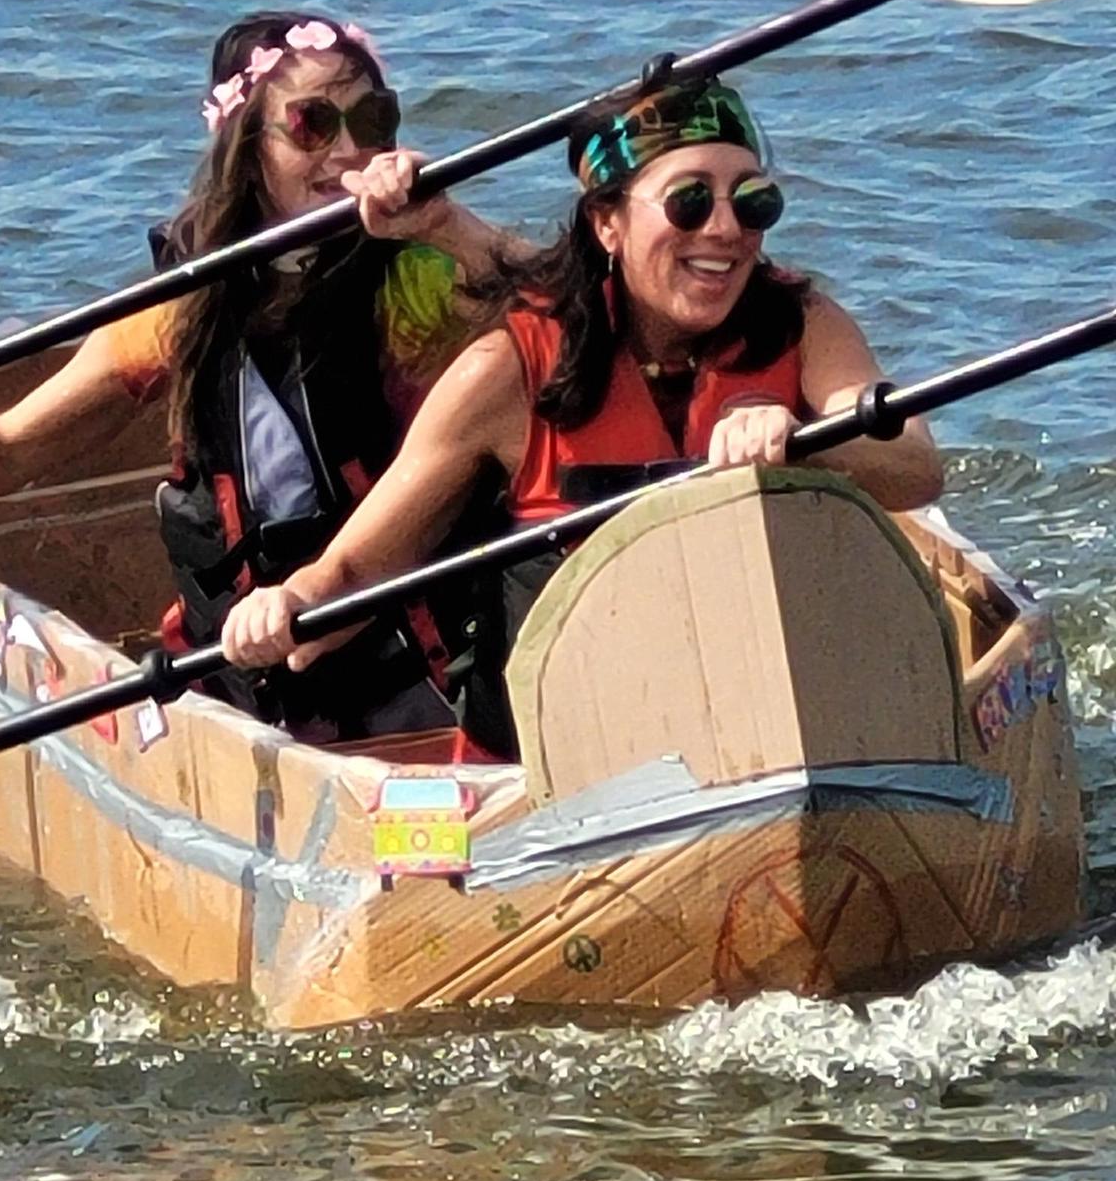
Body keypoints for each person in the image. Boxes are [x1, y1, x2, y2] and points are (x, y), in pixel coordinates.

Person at [216, 73, 943, 758]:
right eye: (691, 202)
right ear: (608, 225)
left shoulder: (802, 323)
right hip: (556, 758)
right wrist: (287, 604)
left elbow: (914, 465)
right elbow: (355, 567)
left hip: (763, 732)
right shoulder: (508, 369)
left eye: (752, 203)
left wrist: (807, 443)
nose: (726, 230)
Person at [0, 10, 523, 740]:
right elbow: (14, 444)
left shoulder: (417, 273)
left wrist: (449, 225)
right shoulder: (184, 306)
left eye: (373, 119)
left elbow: (568, 319)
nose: (351, 151)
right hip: (241, 659)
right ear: (246, 147)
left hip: (410, 648)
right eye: (314, 125)